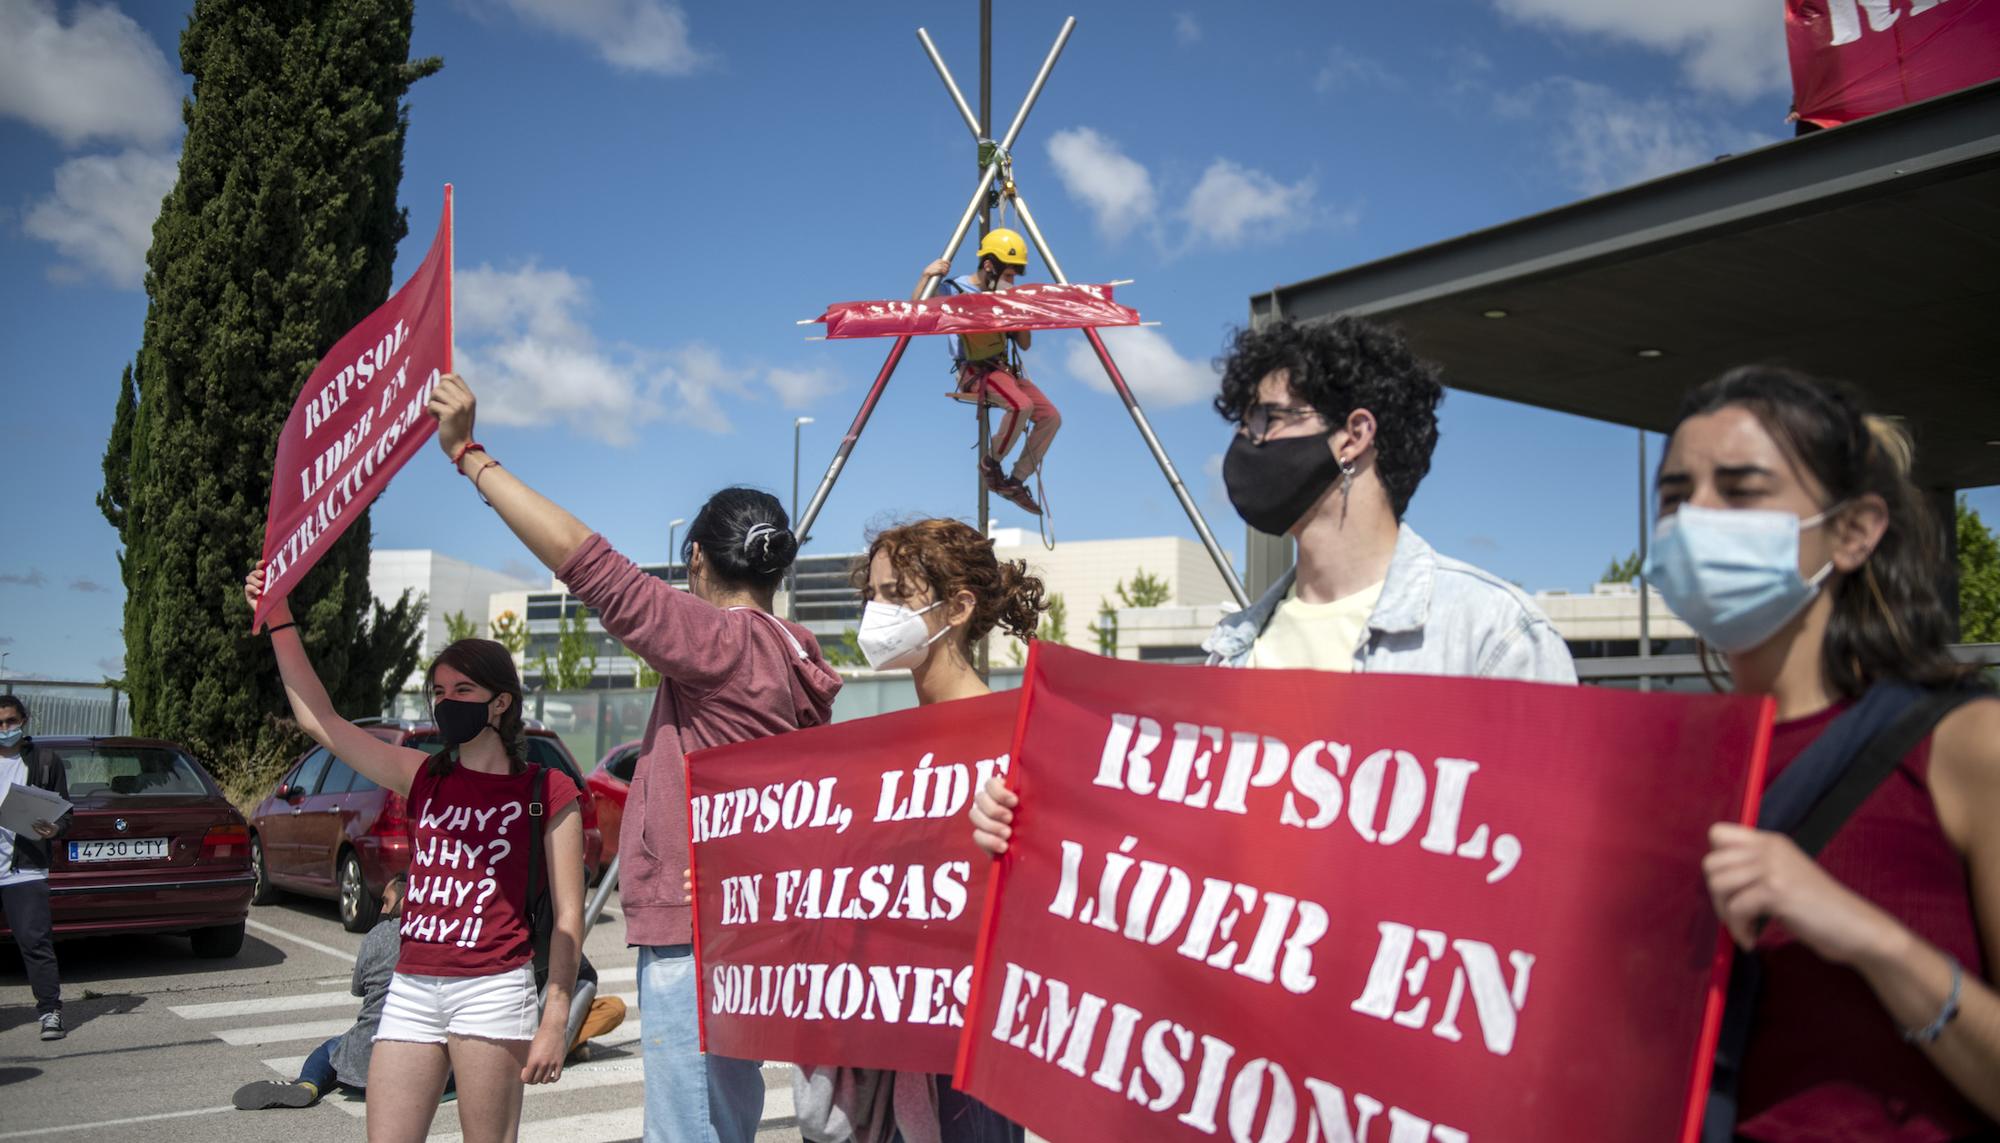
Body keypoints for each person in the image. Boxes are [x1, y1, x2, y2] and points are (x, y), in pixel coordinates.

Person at [970, 314, 1574, 855]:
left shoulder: (1491, 636)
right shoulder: (1230, 649)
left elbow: (1547, 865)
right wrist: (1031, 817)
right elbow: (1182, 845)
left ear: (1354, 435)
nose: (1243, 442)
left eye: (1265, 418)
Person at [424, 373, 841, 1143]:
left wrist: (469, 455)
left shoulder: (721, 643)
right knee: (726, 1117)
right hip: (752, 917)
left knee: (691, 1131)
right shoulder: (795, 653)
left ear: (696, 562)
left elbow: (588, 563)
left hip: (695, 927)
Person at [1644, 366, 2000, 1136]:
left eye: (1740, 491)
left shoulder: (1967, 743)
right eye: (1674, 497)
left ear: (1854, 531)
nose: (1696, 517)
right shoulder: (1662, 763)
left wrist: (1872, 938)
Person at [244, 579, 586, 1143]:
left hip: (494, 986)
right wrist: (278, 618)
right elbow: (321, 721)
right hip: (412, 986)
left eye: (463, 689)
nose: (446, 701)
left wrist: (555, 1020)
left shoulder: (546, 789)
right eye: (439, 690)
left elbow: (571, 919)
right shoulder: (422, 774)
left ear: (501, 702)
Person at [792, 518, 1043, 1143]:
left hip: (972, 1054)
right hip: (889, 1036)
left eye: (895, 594)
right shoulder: (887, 750)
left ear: (957, 607)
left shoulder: (1017, 739)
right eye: (871, 595)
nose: (876, 612)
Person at [915, 228, 1059, 516]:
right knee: (1021, 406)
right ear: (989, 265)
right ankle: (991, 465)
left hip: (1004, 369)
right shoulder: (956, 289)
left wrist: (1021, 314)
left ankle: (1015, 481)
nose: (1012, 281)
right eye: (1008, 274)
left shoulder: (1007, 296)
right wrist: (926, 276)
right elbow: (919, 308)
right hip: (975, 370)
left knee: (1051, 417)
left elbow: (1025, 345)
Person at [234, 875, 411, 1110]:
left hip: (360, 1064)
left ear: (405, 901)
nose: (382, 908)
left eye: (387, 901)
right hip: (414, 1068)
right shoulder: (436, 938)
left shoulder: (375, 936)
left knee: (331, 1048)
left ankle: (308, 1084)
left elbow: (358, 989)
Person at [0, 695, 70, 1042]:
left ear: (24, 720)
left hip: (25, 870)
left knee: (34, 942)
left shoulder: (44, 761)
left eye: (10, 722)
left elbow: (65, 814)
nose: (5, 730)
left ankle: (50, 1011)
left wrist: (55, 829)